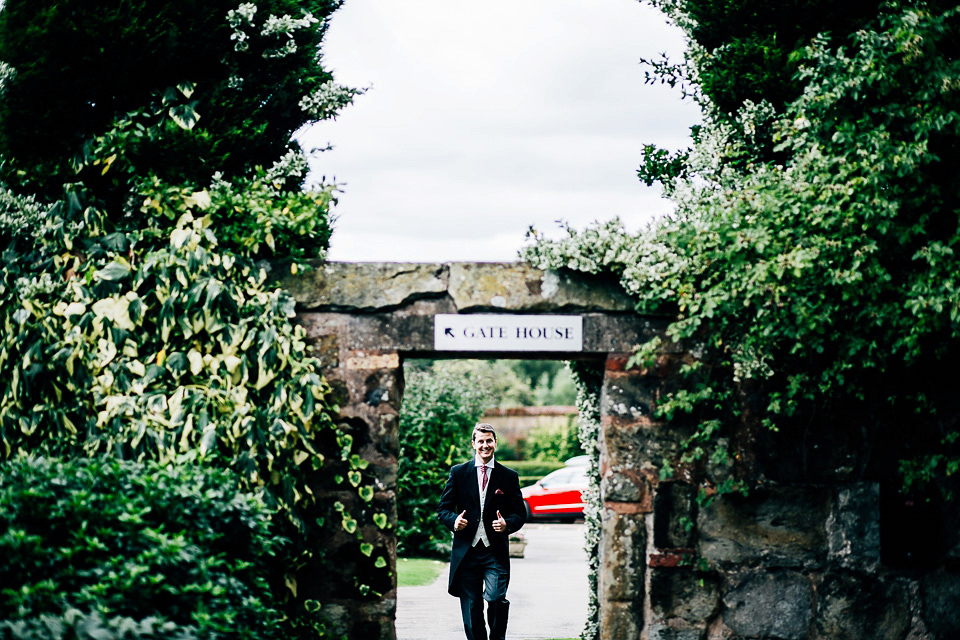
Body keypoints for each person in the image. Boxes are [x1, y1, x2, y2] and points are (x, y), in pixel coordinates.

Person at [437, 423, 526, 640]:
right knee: (472, 606)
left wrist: (507, 525)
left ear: (495, 442)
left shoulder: (508, 476)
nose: (485, 445)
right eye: (480, 441)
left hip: (494, 551)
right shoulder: (458, 473)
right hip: (466, 551)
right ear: (473, 444)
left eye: (489, 441)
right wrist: (454, 521)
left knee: (496, 598)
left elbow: (519, 514)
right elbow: (443, 509)